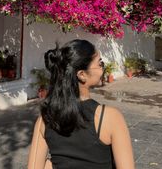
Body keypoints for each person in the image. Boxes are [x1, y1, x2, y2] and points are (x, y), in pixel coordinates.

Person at [28, 39, 135, 169]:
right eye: (100, 63)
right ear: (82, 75)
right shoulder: (110, 118)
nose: (103, 68)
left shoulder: (45, 120)